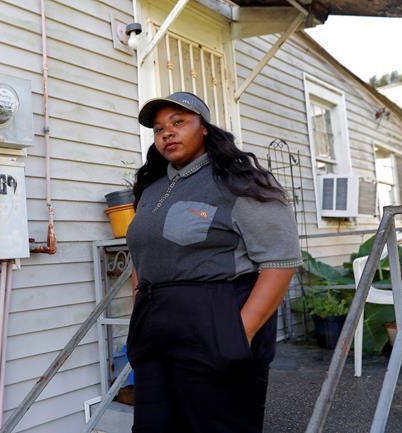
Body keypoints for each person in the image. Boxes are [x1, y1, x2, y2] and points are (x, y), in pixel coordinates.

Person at [125, 92, 302, 433]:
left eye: (178, 122)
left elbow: (280, 261)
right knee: (153, 425)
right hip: (154, 329)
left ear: (205, 128)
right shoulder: (152, 189)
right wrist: (140, 309)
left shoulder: (240, 183)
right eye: (159, 129)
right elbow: (140, 255)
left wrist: (240, 333)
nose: (167, 133)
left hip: (214, 324)